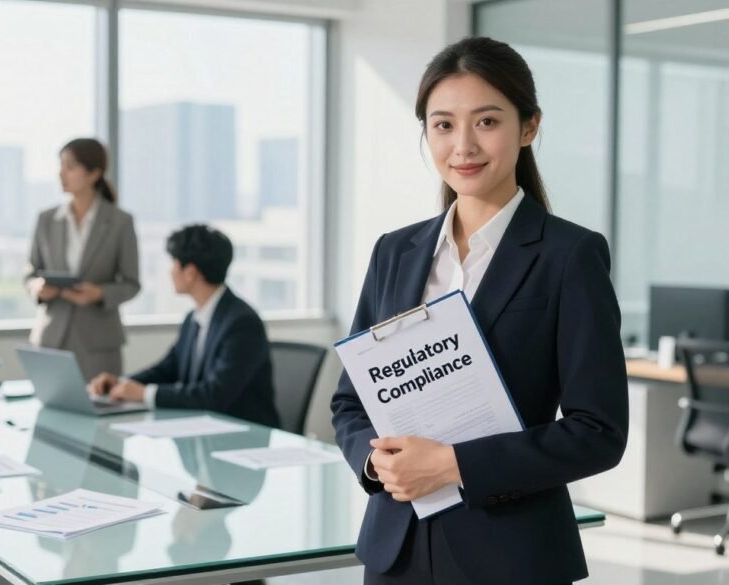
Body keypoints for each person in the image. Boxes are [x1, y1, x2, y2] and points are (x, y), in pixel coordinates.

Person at [330, 37, 628, 585]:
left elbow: (598, 431)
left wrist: (453, 466)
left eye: (486, 122)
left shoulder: (569, 256)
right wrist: (377, 464)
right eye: (443, 125)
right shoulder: (394, 252)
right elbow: (351, 402)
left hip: (512, 556)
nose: (462, 145)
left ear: (529, 127)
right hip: (397, 549)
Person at [89, 225, 280, 428]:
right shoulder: (194, 318)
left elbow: (214, 395)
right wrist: (121, 384)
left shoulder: (242, 323)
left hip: (244, 436)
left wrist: (144, 394)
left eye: (174, 264)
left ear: (190, 273)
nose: (171, 272)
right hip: (206, 430)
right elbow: (168, 369)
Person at [24, 138, 140, 380]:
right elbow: (30, 273)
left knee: (102, 411)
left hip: (99, 342)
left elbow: (131, 283)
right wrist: (37, 288)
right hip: (51, 338)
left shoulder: (120, 222)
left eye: (70, 166)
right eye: (60, 165)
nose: (61, 173)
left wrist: (98, 293)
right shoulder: (46, 220)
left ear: (94, 173)